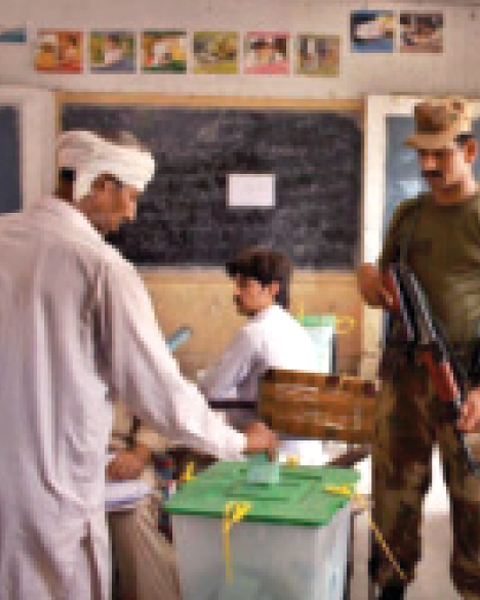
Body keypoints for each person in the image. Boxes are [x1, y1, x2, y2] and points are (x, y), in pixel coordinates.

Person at [0, 129, 276, 600]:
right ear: (100, 183)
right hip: (53, 489)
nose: (131, 213)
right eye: (129, 197)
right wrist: (234, 441)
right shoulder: (100, 267)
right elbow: (161, 392)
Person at [356, 97, 480, 600]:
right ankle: (388, 587)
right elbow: (377, 279)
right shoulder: (408, 216)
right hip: (403, 386)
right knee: (391, 511)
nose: (429, 166)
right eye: (422, 155)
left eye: (441, 154)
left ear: (470, 150)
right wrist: (367, 282)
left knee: (477, 519)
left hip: (467, 390)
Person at [198, 246, 324, 463]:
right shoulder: (298, 331)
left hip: (266, 457)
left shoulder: (253, 333)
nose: (236, 293)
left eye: (244, 285)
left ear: (273, 289)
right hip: (307, 455)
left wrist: (200, 377)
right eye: (236, 284)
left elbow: (213, 391)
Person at [106, 400, 179, 600]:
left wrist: (139, 454)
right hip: (50, 456)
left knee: (131, 513)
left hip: (119, 454)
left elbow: (157, 402)